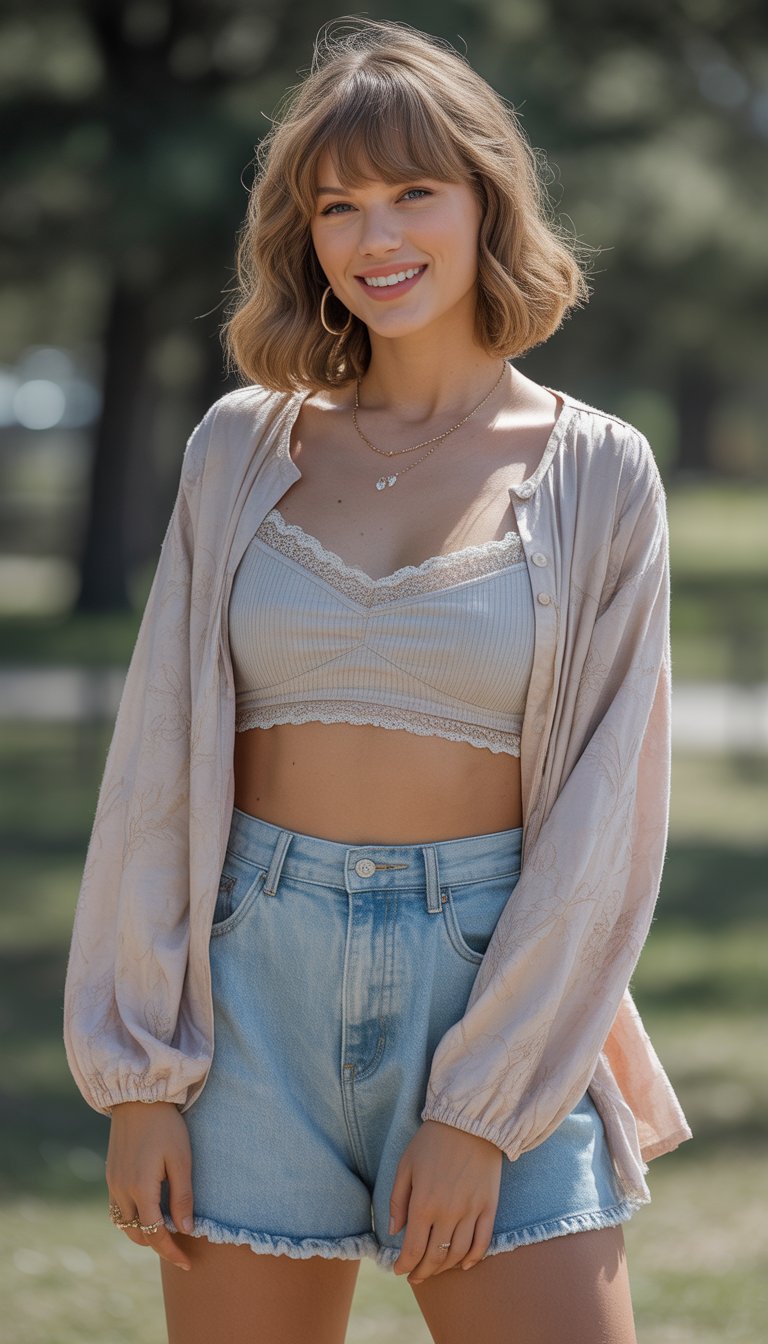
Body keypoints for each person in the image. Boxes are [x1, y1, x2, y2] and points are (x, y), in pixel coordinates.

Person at [63, 18, 692, 1344]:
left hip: (493, 987)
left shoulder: (595, 472)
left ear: (486, 203)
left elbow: (604, 823)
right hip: (247, 1005)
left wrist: (482, 1110)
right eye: (337, 204)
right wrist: (140, 1077)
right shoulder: (242, 446)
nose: (375, 236)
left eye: (415, 192)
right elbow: (160, 766)